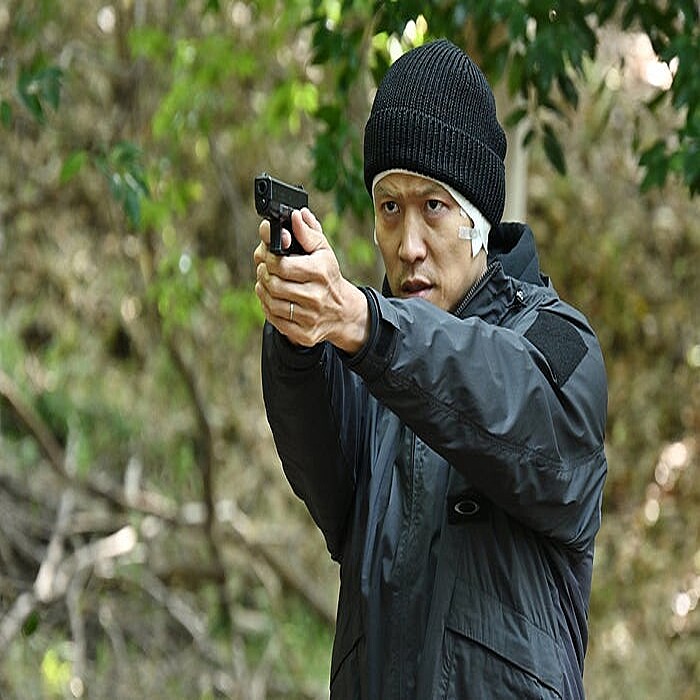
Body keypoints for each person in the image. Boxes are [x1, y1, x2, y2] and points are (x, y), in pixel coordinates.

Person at [253, 38, 607, 700]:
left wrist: (365, 324)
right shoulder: (366, 363)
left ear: (478, 220)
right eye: (390, 207)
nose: (408, 245)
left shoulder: (561, 342)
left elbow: (512, 404)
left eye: (433, 207)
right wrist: (299, 336)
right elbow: (320, 467)